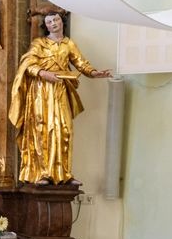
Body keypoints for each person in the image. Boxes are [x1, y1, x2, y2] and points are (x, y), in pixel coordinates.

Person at [9, 12, 111, 185]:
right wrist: (44, 73)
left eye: (56, 19)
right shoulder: (39, 43)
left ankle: (63, 173)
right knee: (42, 130)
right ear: (46, 26)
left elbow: (81, 63)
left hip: (60, 89)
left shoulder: (69, 44)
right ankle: (43, 173)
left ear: (61, 22)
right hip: (40, 91)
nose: (53, 23)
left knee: (64, 129)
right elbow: (27, 64)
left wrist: (95, 73)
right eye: (49, 22)